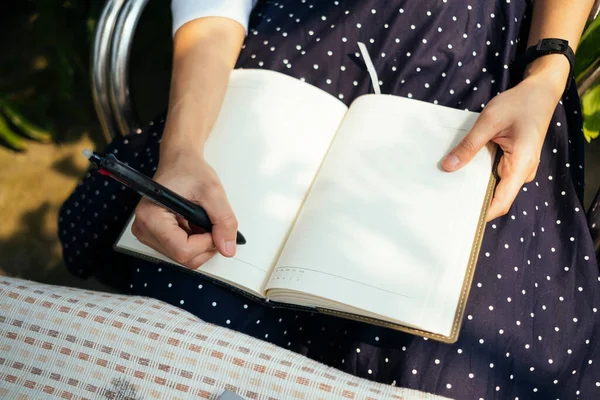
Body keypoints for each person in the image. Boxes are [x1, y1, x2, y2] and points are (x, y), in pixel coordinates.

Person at [59, 0, 600, 398]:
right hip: (296, 55)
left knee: (452, 356)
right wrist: (182, 150)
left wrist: (547, 72)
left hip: (492, 73)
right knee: (188, 333)